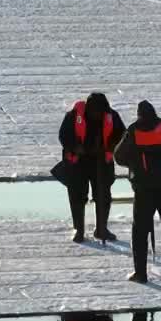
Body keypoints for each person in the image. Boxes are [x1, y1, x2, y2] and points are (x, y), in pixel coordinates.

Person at [114, 100, 161, 284]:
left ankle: (140, 274)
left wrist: (135, 161)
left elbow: (119, 157)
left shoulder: (133, 131)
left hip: (144, 190)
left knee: (140, 232)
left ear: (139, 114)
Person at [58, 93, 125, 243]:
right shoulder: (74, 115)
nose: (98, 114)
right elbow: (64, 135)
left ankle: (101, 229)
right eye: (95, 111)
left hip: (101, 161)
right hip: (78, 162)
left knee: (103, 196)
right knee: (77, 196)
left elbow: (122, 135)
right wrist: (75, 147)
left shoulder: (112, 116)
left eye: (100, 112)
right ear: (88, 108)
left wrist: (111, 146)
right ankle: (79, 230)